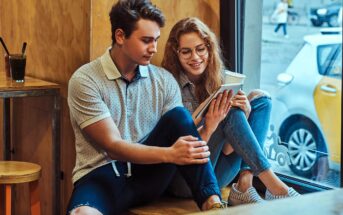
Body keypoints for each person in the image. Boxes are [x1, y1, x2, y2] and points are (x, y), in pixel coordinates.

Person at [66, 1, 226, 214]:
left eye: (156, 40)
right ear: (120, 36)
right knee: (81, 214)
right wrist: (170, 154)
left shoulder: (164, 80)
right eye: (146, 40)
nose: (154, 48)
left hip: (151, 176)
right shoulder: (86, 80)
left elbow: (182, 134)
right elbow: (113, 146)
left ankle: (213, 204)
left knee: (178, 117)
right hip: (101, 176)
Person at [161, 17, 300, 206]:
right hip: (186, 180)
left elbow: (228, 149)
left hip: (218, 171)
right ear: (175, 53)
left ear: (209, 48)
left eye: (200, 49)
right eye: (186, 52)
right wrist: (211, 123)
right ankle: (277, 188)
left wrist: (246, 113)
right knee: (227, 110)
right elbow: (179, 148)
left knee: (261, 99)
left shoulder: (217, 78)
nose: (195, 57)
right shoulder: (168, 84)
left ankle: (244, 186)